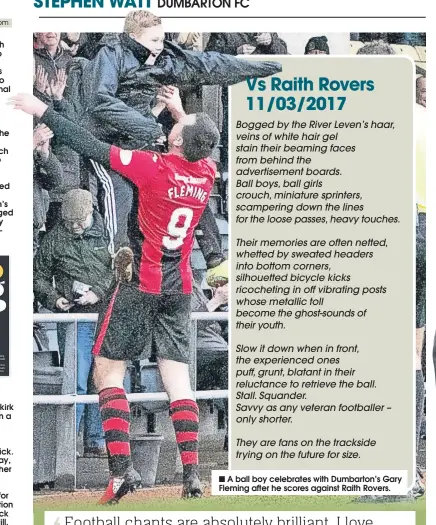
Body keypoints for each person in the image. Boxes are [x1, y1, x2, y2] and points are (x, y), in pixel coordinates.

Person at [11, 87, 221, 503]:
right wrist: (181, 115)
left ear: (177, 140)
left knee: (108, 373)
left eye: (178, 126)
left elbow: (88, 144)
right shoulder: (207, 173)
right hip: (178, 286)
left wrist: (40, 108)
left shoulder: (152, 168)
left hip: (139, 283)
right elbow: (198, 144)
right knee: (177, 378)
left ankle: (122, 472)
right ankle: (192, 475)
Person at [80, 11, 282, 254]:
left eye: (162, 39)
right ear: (132, 37)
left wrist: (263, 68)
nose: (159, 46)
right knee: (118, 192)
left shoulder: (164, 57)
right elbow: (101, 101)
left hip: (142, 138)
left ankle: (204, 255)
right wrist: (149, 127)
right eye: (153, 40)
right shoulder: (111, 54)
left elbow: (208, 65)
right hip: (106, 140)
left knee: (169, 181)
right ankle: (117, 254)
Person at [33, 188, 115, 458]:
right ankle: (67, 443)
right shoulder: (55, 240)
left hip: (105, 314)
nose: (76, 227)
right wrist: (55, 299)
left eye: (80, 222)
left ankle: (96, 439)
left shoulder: (109, 232)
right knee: (76, 381)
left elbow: (121, 269)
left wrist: (98, 293)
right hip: (75, 318)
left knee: (101, 380)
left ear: (92, 212)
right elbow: (38, 277)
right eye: (70, 223)